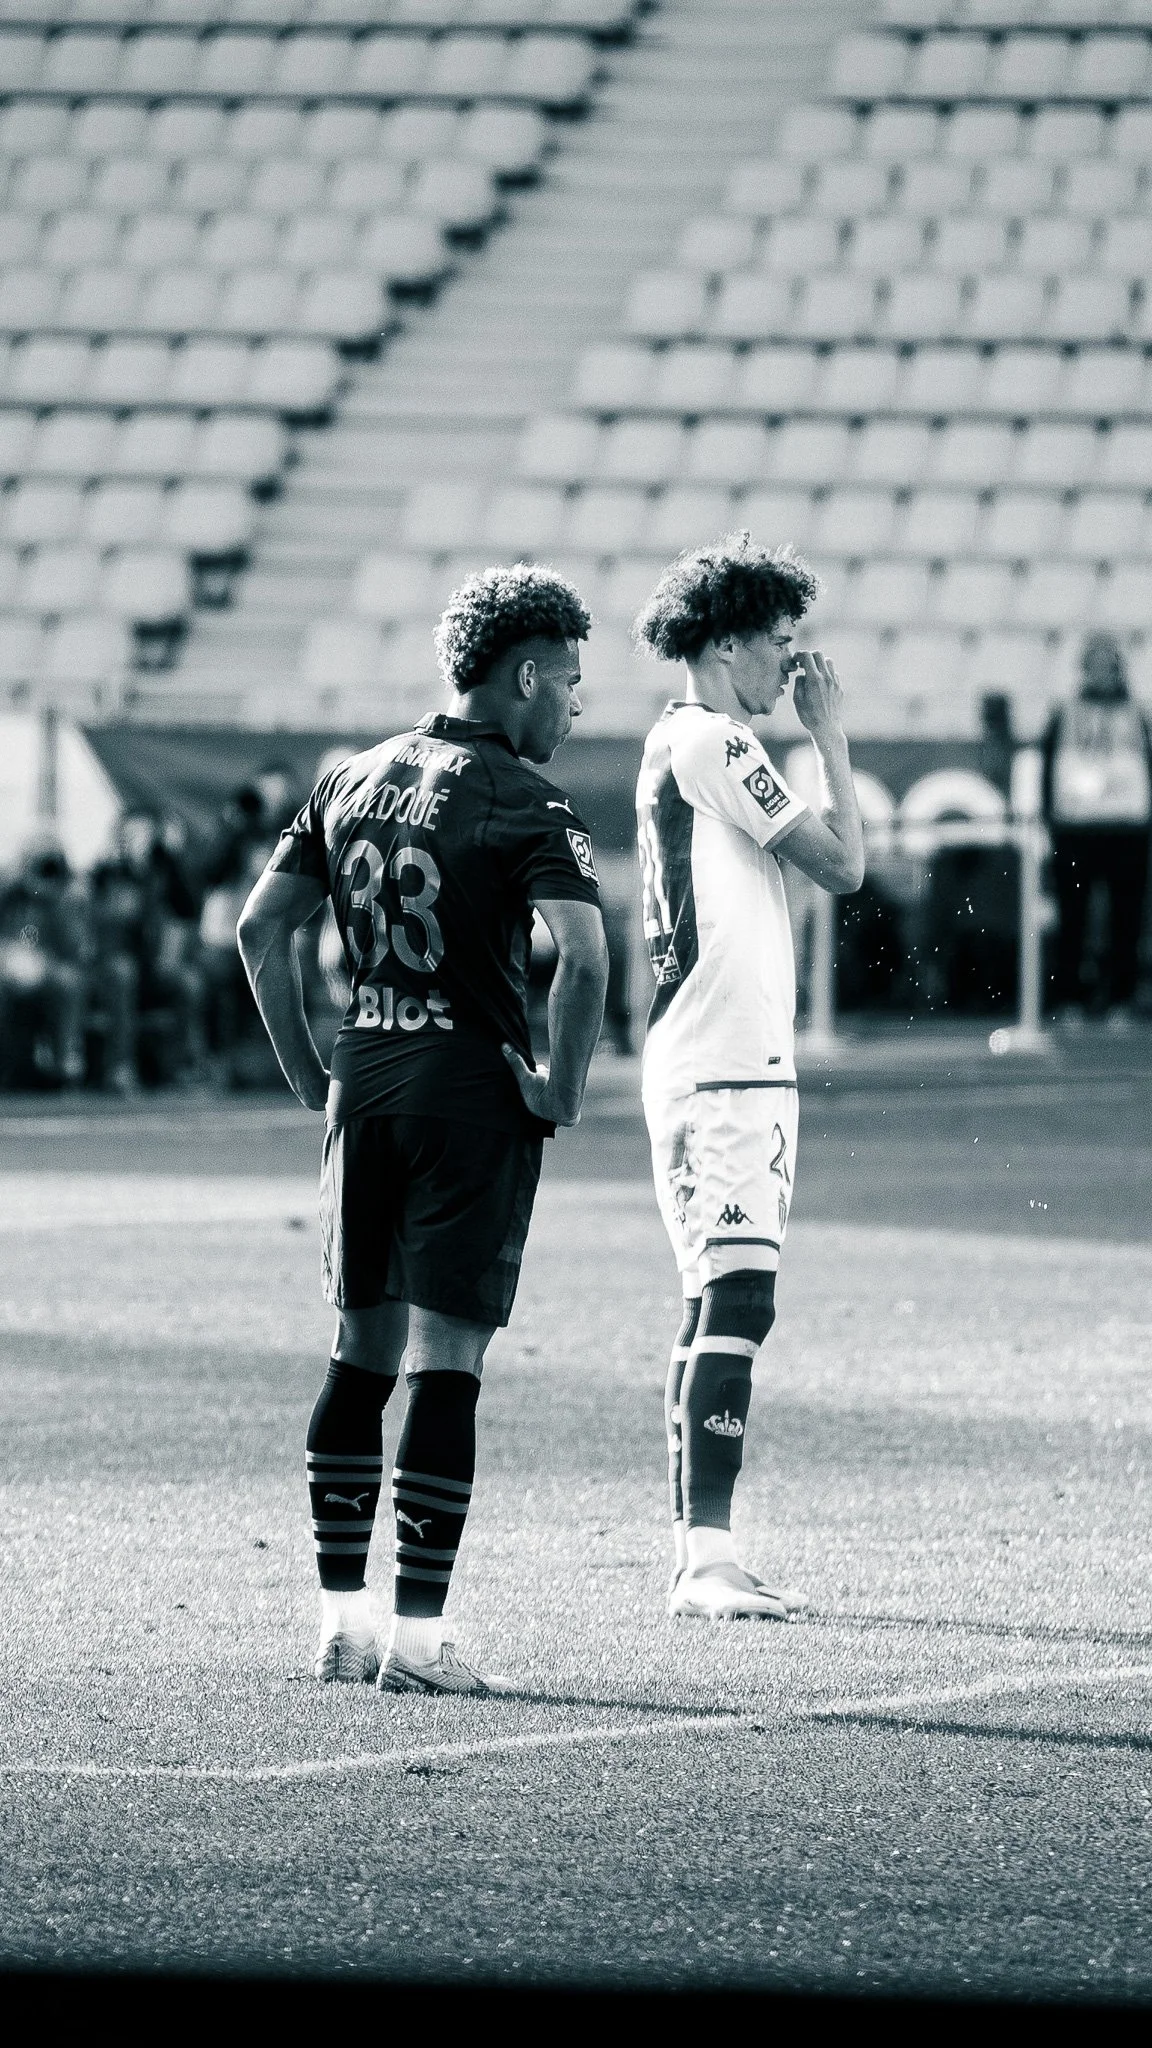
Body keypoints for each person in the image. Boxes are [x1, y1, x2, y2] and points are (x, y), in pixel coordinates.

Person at [238, 565, 608, 1694]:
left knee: (359, 1355)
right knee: (448, 1361)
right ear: (525, 677)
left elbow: (260, 930)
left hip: (365, 1087)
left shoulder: (349, 775)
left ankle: (340, 1625)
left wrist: (311, 1073)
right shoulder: (528, 800)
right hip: (467, 1097)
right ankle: (421, 1638)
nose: (577, 704)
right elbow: (585, 957)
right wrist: (562, 1091)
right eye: (571, 682)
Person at [632, 533, 863, 1622]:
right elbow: (845, 864)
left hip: (719, 1060)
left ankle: (705, 1550)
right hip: (721, 1067)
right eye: (778, 640)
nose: (790, 662)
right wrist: (831, 738)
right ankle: (706, 1559)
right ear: (726, 643)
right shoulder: (715, 741)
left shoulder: (683, 744)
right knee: (738, 1298)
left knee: (716, 1301)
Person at [1041, 633, 1152, 1028]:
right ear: (1085, 669)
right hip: (1076, 830)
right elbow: (1047, 773)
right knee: (1072, 920)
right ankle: (1069, 998)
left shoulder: (1137, 715)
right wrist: (1052, 824)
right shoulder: (1066, 714)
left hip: (1128, 831)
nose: (1103, 673)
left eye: (1109, 665)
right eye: (1096, 664)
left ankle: (1121, 998)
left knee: (1126, 921)